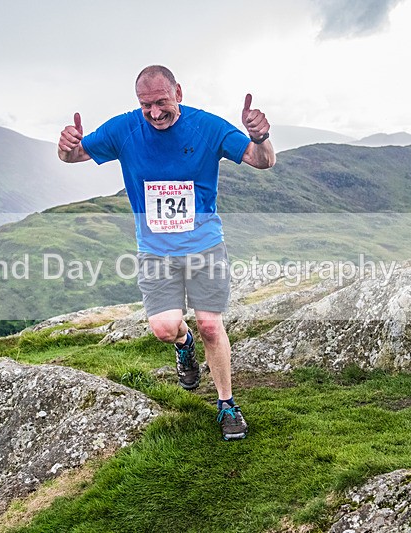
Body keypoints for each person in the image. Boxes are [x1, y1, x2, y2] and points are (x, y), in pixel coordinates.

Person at [58, 65, 275, 440]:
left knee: (210, 324)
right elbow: (74, 156)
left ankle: (227, 404)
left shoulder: (206, 126)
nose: (155, 113)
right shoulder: (124, 129)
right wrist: (66, 147)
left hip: (205, 245)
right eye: (146, 105)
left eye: (162, 102)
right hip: (155, 251)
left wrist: (261, 137)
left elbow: (262, 160)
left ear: (179, 92)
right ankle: (183, 345)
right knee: (164, 328)